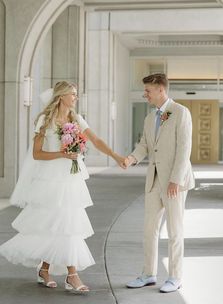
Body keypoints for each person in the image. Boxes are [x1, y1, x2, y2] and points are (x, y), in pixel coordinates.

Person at [0, 81, 126, 293]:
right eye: (73, 94)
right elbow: (36, 154)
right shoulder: (44, 119)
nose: (75, 97)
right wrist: (62, 154)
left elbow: (95, 140)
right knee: (57, 223)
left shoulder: (76, 119)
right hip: (50, 180)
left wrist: (115, 156)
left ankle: (49, 270)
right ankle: (70, 275)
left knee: (66, 223)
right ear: (61, 96)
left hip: (71, 179)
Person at [125, 73, 195, 293]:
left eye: (148, 90)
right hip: (153, 181)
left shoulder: (181, 112)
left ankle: (175, 277)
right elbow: (144, 145)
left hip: (174, 181)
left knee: (175, 231)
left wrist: (175, 179)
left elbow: (185, 148)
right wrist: (131, 158)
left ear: (160, 90)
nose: (145, 94)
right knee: (149, 229)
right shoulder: (149, 118)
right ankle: (148, 274)